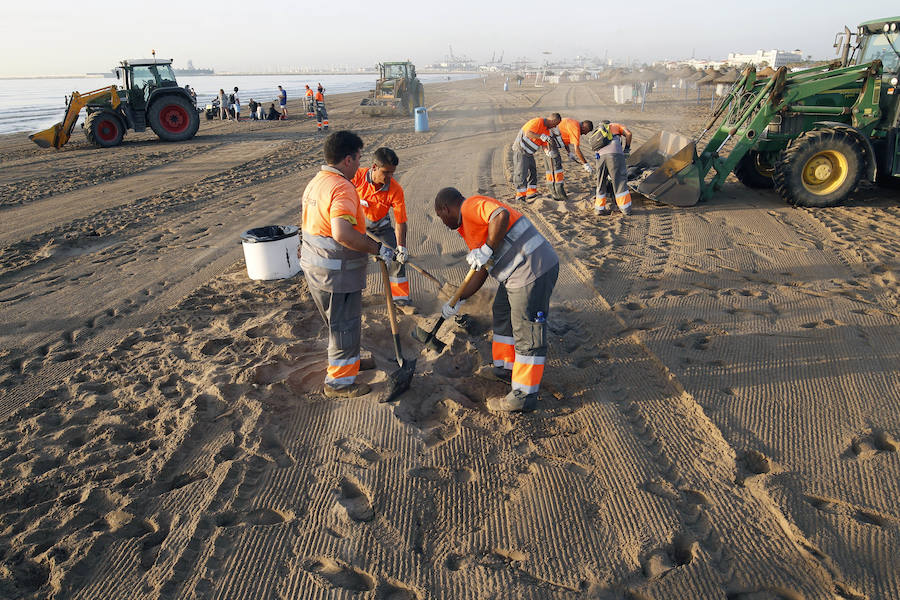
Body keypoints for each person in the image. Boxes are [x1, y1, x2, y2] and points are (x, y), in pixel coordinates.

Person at [433, 188, 559, 412]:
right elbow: (480, 270)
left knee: (527, 335)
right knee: (501, 310)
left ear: (445, 208)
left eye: (440, 216)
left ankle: (523, 397)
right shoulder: (467, 229)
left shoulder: (470, 206)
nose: (442, 222)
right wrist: (458, 299)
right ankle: (505, 368)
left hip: (532, 271)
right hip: (515, 276)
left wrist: (487, 248)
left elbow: (500, 214)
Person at [300, 131, 395, 398]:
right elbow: (342, 233)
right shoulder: (341, 187)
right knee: (344, 325)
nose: (359, 163)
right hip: (335, 273)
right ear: (349, 159)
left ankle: (349, 363)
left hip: (316, 268)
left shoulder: (316, 182)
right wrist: (378, 249)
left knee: (339, 323)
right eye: (358, 157)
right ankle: (339, 382)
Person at [352, 147, 410, 305]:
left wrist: (401, 247)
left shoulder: (395, 189)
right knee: (350, 259)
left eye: (393, 173)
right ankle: (351, 299)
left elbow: (400, 221)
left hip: (381, 228)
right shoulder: (357, 177)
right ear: (374, 168)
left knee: (397, 259)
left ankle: (401, 300)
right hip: (358, 228)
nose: (390, 177)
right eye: (386, 173)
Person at [511, 113, 561, 202]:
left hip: (529, 153)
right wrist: (541, 136)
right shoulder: (538, 122)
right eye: (555, 124)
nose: (555, 126)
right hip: (521, 149)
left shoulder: (547, 131)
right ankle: (520, 195)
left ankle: (531, 192)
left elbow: (545, 145)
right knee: (521, 172)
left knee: (532, 171)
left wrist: (548, 152)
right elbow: (528, 133)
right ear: (552, 120)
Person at [547, 118, 594, 201]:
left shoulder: (573, 123)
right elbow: (577, 149)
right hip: (549, 143)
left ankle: (555, 192)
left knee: (554, 168)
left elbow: (564, 136)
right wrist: (585, 164)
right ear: (584, 128)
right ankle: (558, 194)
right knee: (556, 168)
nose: (585, 134)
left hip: (550, 141)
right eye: (587, 131)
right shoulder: (576, 129)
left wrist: (569, 152)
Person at [592, 120, 633, 216]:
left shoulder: (598, 129)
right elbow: (629, 134)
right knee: (619, 181)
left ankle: (599, 209)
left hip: (600, 156)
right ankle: (625, 209)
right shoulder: (616, 125)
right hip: (614, 154)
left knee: (601, 182)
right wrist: (627, 149)